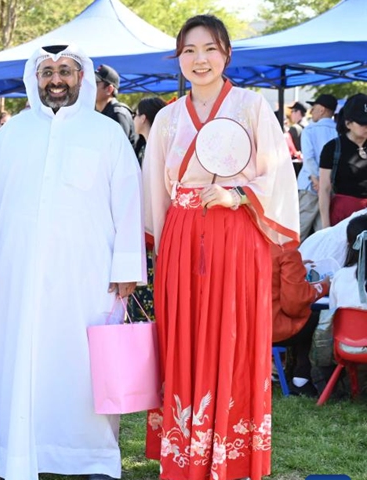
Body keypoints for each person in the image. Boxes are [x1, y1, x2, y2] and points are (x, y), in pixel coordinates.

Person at [142, 15, 299, 480]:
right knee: (184, 337)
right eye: (189, 51)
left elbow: (278, 175)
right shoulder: (169, 117)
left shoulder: (251, 106)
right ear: (179, 60)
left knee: (233, 333)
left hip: (237, 234)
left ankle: (231, 455)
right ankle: (186, 452)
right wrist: (154, 245)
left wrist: (239, 195)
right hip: (184, 236)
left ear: (226, 53)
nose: (200, 59)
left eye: (209, 49)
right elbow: (154, 190)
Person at [0, 43, 144, 480]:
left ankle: (90, 459)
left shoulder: (106, 133)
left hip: (88, 276)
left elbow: (129, 203)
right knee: (20, 362)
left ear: (81, 77)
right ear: (35, 79)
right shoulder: (10, 135)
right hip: (16, 274)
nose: (56, 79)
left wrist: (127, 268)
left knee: (84, 366)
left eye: (65, 70)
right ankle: (20, 455)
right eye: (48, 70)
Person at [271, 243, 330, 397]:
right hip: (274, 330)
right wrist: (324, 286)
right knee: (312, 318)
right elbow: (295, 303)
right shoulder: (286, 251)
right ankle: (301, 380)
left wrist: (297, 269)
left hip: (241, 329)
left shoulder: (240, 246)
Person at [131, 96, 167, 320]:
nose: (134, 119)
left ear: (143, 118)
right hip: (148, 229)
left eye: (135, 115)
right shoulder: (149, 146)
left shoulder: (155, 148)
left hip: (152, 230)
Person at [318, 93, 367, 228]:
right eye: (363, 123)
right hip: (344, 215)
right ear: (348, 123)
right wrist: (326, 226)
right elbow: (324, 189)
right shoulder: (332, 148)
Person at [297, 94, 338, 241]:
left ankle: (289, 263)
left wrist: (316, 179)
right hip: (330, 188)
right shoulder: (339, 131)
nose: (311, 111)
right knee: (323, 232)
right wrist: (324, 182)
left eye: (313, 108)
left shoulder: (310, 130)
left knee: (299, 230)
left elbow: (308, 157)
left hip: (309, 186)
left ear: (321, 110)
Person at [94, 64, 137, 149]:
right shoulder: (100, 112)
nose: (91, 86)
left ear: (109, 89)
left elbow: (118, 150)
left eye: (96, 83)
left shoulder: (117, 114)